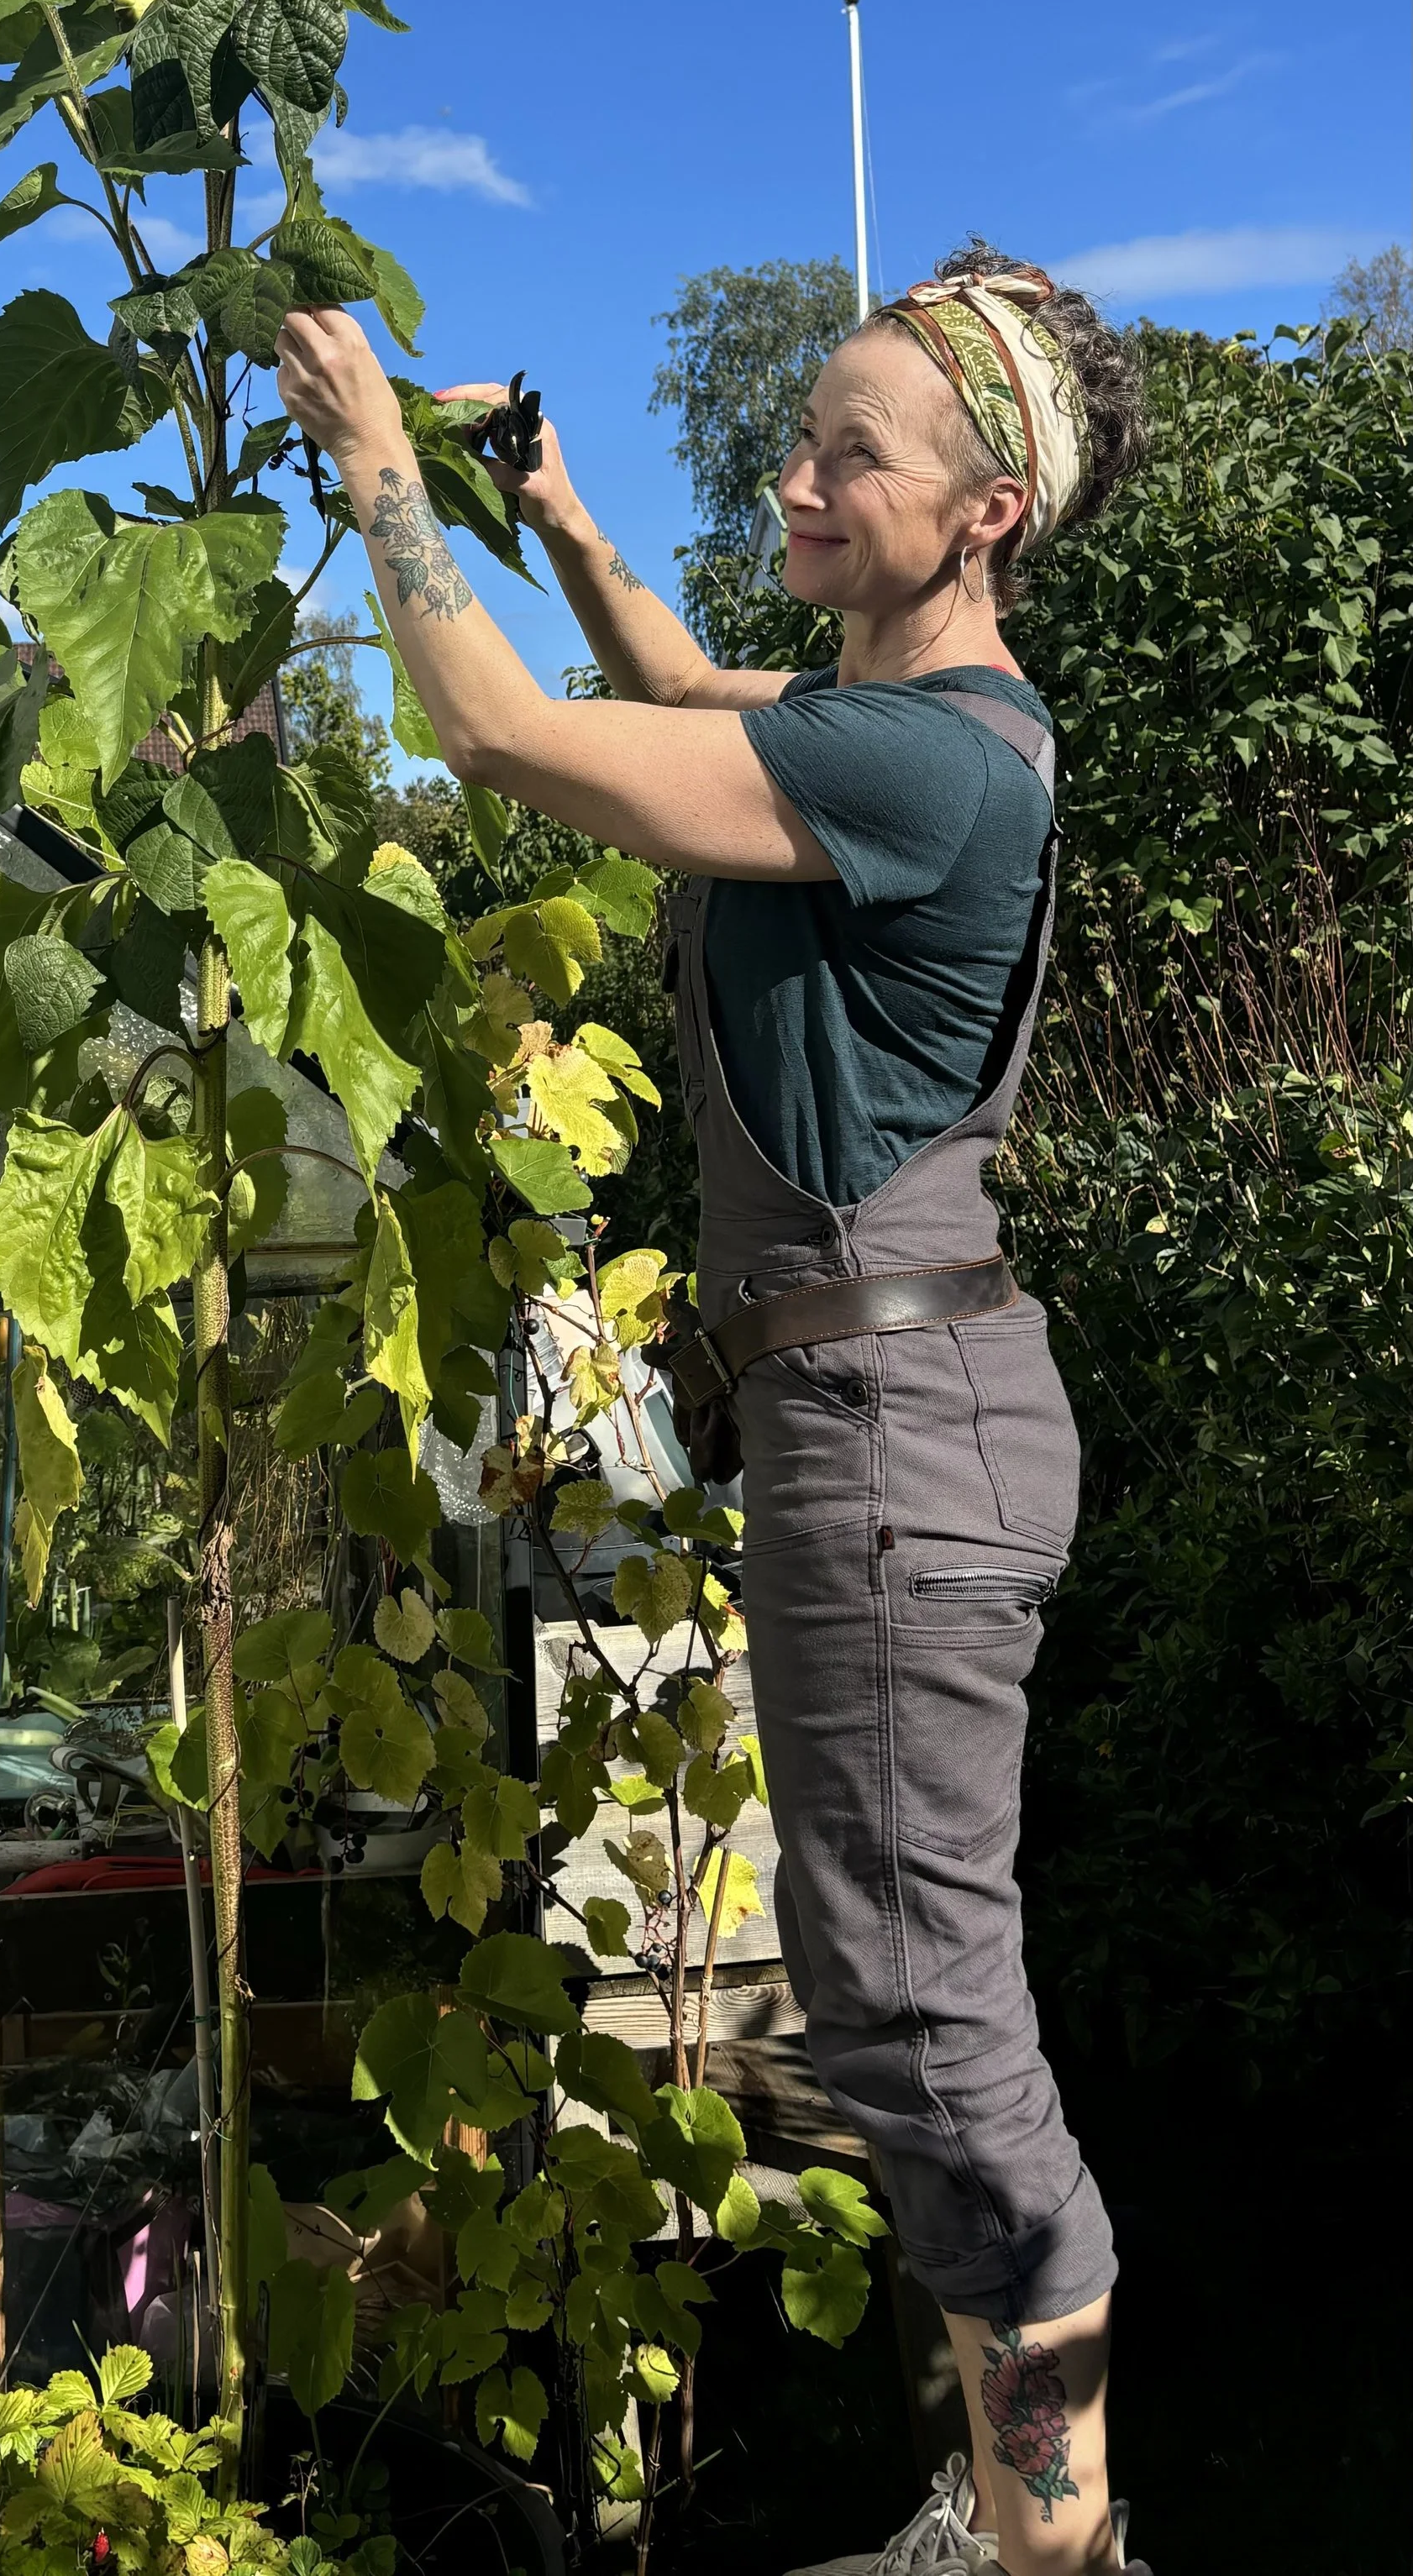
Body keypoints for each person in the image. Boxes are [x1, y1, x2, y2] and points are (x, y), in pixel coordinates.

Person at [275, 244, 1152, 2576]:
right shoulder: (913, 730)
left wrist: (383, 476)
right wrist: (556, 507)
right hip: (893, 1409)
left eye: (846, 455)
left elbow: (496, 733)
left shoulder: (918, 757)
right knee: (903, 1987)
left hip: (889, 1430)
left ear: (979, 515)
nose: (797, 478)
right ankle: (1003, 2503)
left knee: (918, 2013)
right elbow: (675, 682)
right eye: (799, 441)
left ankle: (1052, 2537)